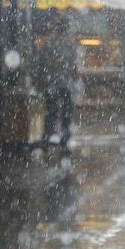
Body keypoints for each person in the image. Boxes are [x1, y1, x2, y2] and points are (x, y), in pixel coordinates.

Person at [37, 14, 77, 150]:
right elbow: (73, 66)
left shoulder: (48, 45)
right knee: (66, 112)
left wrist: (43, 81)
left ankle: (47, 137)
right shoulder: (70, 46)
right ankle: (65, 138)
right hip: (66, 84)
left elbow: (41, 65)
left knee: (51, 111)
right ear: (66, 30)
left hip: (51, 83)